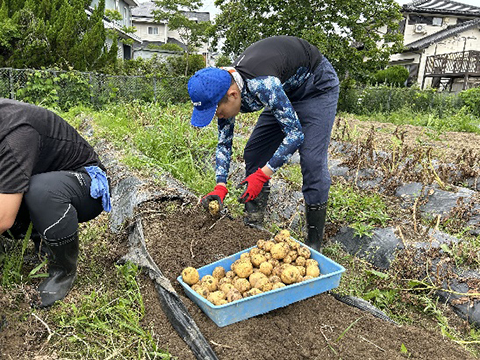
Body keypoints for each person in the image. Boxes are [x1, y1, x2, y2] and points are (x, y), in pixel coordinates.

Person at [187, 35, 340, 252]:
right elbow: (224, 143)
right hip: (284, 89)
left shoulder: (262, 85)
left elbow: (295, 134)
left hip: (315, 87)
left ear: (232, 95)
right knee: (254, 151)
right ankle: (253, 225)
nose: (218, 117)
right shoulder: (222, 84)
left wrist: (263, 174)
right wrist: (220, 185)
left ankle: (314, 244)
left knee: (312, 160)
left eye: (218, 112)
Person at [0, 98, 111, 307]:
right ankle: (38, 237)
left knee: (40, 191)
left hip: (83, 183)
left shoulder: (15, 135)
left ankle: (63, 271)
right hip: (37, 174)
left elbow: (3, 219)